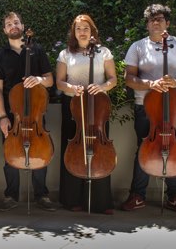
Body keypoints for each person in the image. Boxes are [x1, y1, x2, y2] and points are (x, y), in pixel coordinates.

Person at [122, 4, 176, 214]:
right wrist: (150, 85)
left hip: (174, 109)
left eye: (160, 19)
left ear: (168, 23)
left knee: (174, 148)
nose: (156, 22)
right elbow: (129, 78)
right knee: (144, 148)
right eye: (152, 19)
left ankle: (175, 197)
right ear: (147, 24)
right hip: (145, 106)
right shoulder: (138, 46)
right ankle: (137, 195)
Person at [0, 11, 57, 212]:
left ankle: (42, 195)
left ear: (22, 25)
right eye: (9, 23)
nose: (13, 26)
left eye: (16, 22)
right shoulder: (0, 56)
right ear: (4, 30)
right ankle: (10, 196)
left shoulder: (36, 49)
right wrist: (2, 116)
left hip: (36, 112)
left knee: (41, 152)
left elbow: (50, 80)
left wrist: (38, 80)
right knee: (10, 154)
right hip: (13, 115)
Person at [55, 14, 117, 215]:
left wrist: (100, 87)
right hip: (74, 106)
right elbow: (59, 82)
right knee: (73, 150)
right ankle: (71, 199)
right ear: (73, 32)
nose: (82, 32)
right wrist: (73, 88)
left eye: (86, 28)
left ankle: (101, 202)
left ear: (92, 32)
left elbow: (113, 79)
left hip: (98, 107)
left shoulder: (103, 52)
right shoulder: (65, 54)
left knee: (99, 150)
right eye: (78, 28)